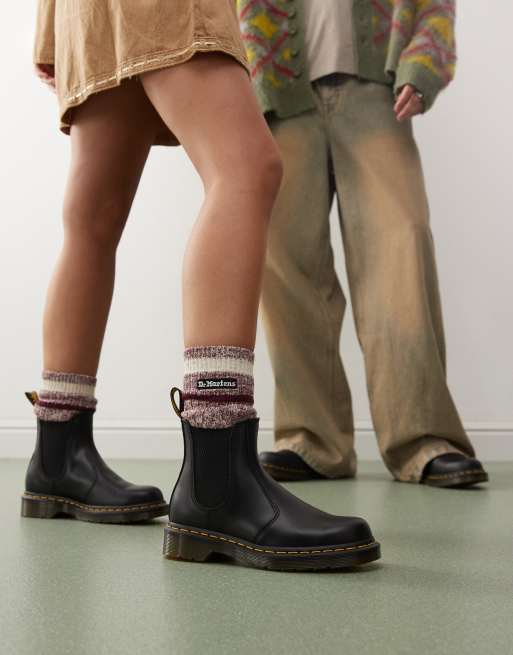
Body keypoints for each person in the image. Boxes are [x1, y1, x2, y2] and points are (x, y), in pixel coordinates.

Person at [22, 0, 380, 571]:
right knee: (245, 169)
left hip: (83, 14)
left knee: (93, 221)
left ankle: (57, 456)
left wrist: (51, 31)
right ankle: (218, 478)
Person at [239, 0, 488, 488]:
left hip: (378, 90)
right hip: (275, 95)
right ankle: (311, 440)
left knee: (401, 247)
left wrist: (423, 64)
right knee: (285, 264)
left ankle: (422, 438)